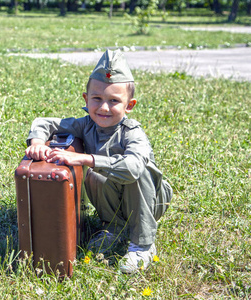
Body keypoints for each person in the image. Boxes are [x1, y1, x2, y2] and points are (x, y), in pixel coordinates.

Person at [24, 49, 173, 274]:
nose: (104, 108)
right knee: (94, 173)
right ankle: (114, 228)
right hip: (117, 199)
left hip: (151, 201)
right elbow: (44, 122)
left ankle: (142, 244)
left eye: (114, 101)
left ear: (129, 105)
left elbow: (133, 168)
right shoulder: (87, 125)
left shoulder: (132, 132)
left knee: (136, 170)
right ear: (86, 99)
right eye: (97, 99)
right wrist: (37, 142)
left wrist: (85, 158)